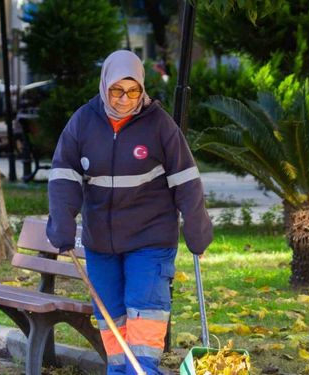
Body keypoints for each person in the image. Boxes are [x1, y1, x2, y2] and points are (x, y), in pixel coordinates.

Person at [46, 50, 213, 375]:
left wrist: (197, 231)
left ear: (143, 88)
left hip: (150, 242)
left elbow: (186, 181)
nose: (124, 99)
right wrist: (62, 226)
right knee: (114, 330)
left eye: (133, 90)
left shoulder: (160, 125)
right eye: (116, 91)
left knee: (144, 326)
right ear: (104, 86)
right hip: (101, 246)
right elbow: (63, 176)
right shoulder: (83, 122)